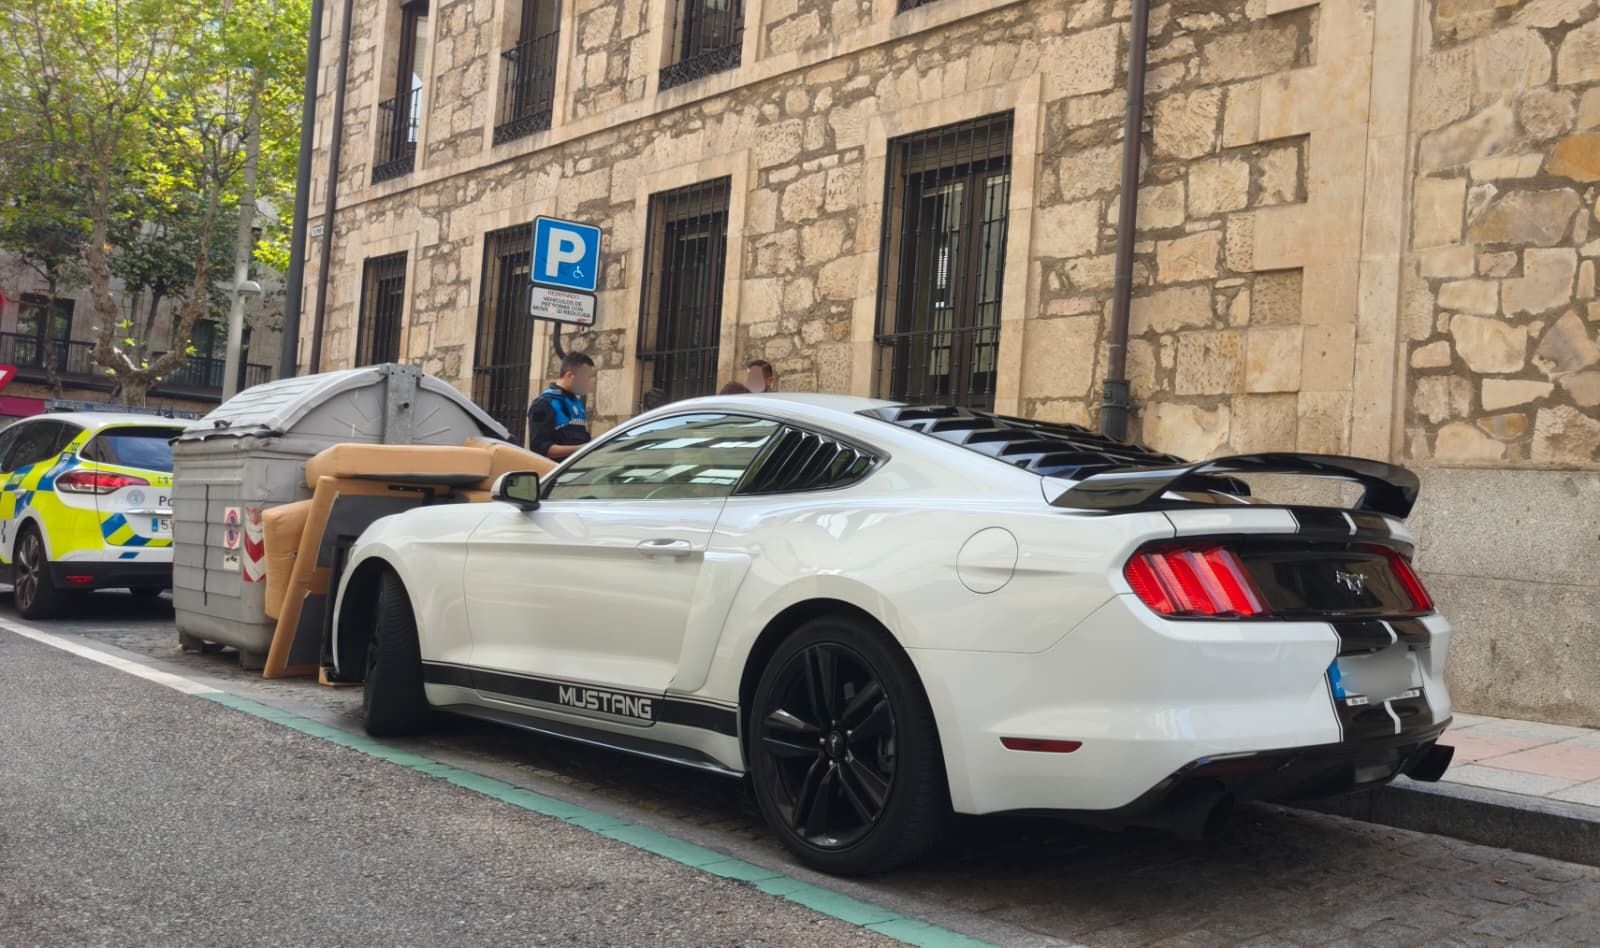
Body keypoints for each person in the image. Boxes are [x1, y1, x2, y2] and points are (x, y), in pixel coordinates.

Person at [527, 352, 595, 460]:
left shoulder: (577, 403)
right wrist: (581, 449)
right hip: (557, 472)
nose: (590, 383)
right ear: (569, 376)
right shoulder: (543, 404)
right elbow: (539, 448)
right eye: (587, 377)